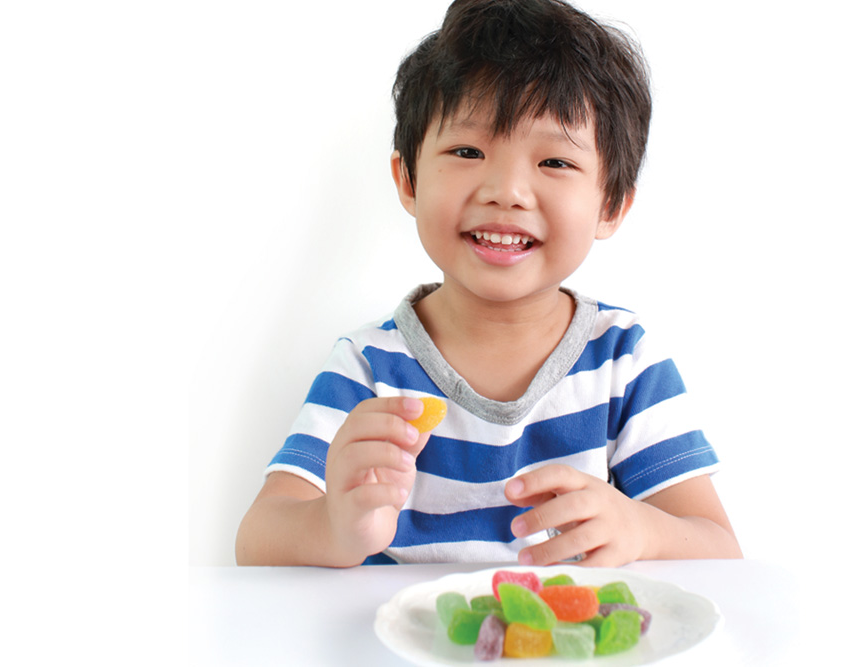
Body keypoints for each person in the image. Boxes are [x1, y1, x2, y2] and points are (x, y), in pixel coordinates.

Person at [236, 0, 742, 567]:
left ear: (612, 205)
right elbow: (257, 540)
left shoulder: (623, 361)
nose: (506, 190)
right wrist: (334, 527)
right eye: (467, 151)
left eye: (554, 162)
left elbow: (720, 551)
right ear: (408, 178)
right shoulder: (370, 367)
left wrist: (642, 531)